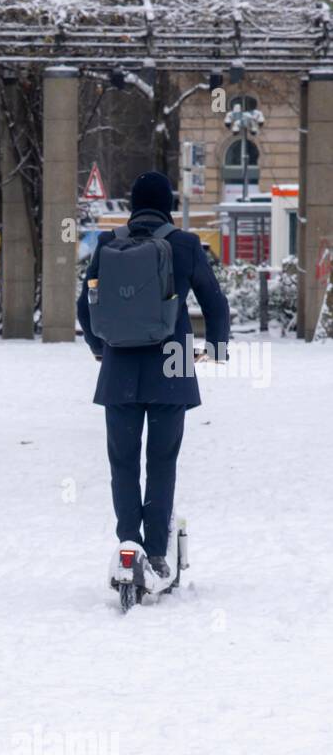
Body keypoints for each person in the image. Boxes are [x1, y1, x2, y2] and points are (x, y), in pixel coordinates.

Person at [77, 171, 229, 581]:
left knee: (123, 462)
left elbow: (84, 305)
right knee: (162, 463)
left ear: (132, 205)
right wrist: (214, 350)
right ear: (168, 204)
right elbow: (215, 304)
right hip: (173, 364)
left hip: (119, 368)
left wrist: (98, 347)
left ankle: (129, 544)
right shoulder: (184, 245)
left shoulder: (109, 243)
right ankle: (158, 553)